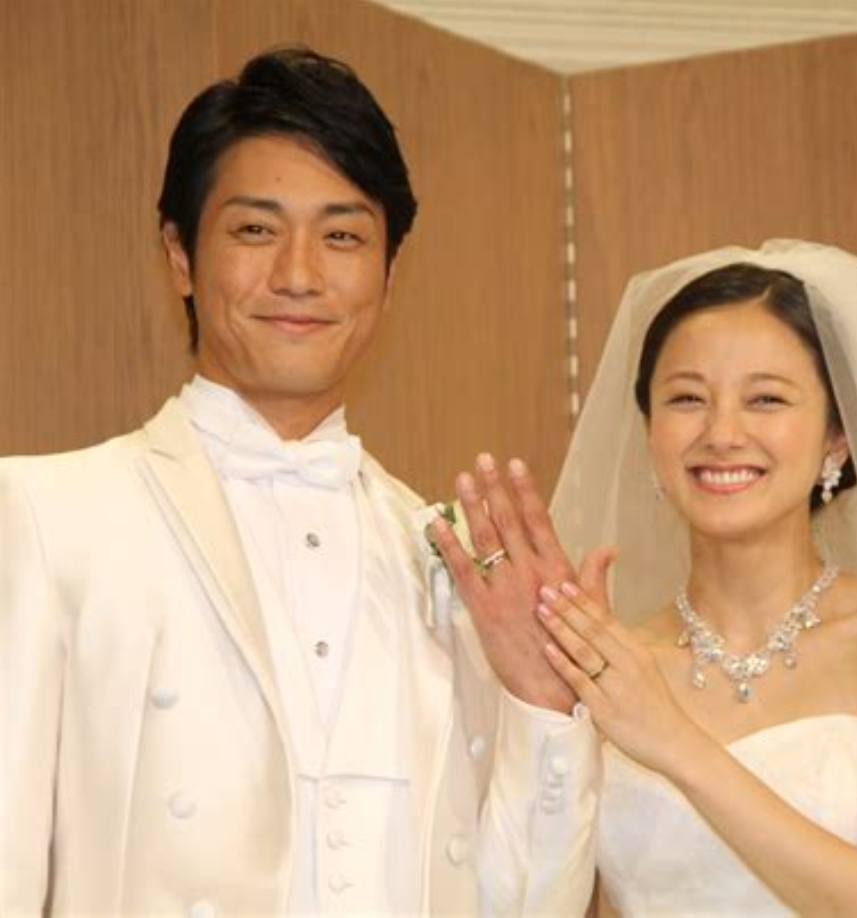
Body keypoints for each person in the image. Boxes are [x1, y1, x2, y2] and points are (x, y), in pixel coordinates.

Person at [0, 47, 600, 915]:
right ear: (179, 254)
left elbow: (522, 904)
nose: (298, 275)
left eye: (343, 236)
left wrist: (543, 706)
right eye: (255, 230)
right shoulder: (49, 516)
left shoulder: (447, 559)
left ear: (389, 272)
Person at [470, 241, 857, 914]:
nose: (722, 433)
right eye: (687, 398)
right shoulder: (614, 664)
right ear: (650, 431)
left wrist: (673, 740)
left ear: (835, 437)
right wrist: (544, 712)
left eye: (765, 399)